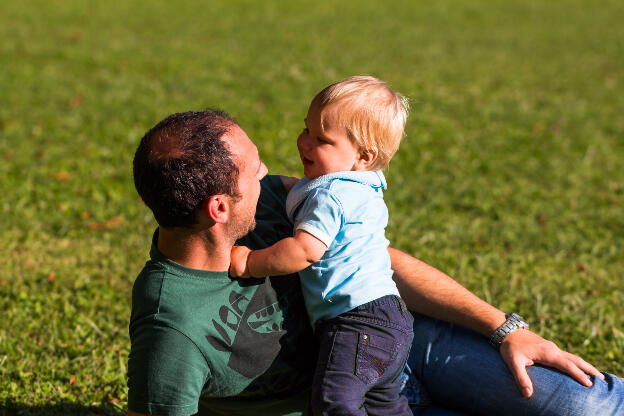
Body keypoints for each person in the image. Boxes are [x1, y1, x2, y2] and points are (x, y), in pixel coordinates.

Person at [128, 108, 623, 416]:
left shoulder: (276, 201)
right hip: (344, 402)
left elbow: (378, 263)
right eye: (254, 171)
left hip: (405, 343)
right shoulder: (172, 326)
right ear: (218, 209)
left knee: (592, 406)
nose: (270, 172)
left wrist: (506, 329)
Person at [229, 76, 414, 416]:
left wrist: (250, 262)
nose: (305, 143)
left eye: (322, 140)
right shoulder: (364, 184)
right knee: (384, 405)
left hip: (356, 321)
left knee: (333, 402)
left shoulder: (331, 195)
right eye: (306, 131)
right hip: (392, 319)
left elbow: (305, 250)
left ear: (363, 155)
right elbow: (300, 189)